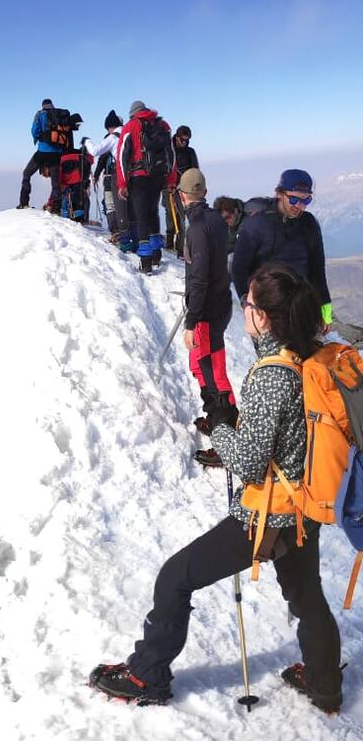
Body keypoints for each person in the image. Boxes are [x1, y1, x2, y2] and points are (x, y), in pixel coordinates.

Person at [90, 263, 343, 712]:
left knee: (175, 578)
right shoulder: (308, 356)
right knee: (307, 598)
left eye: (248, 303)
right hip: (305, 506)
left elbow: (249, 464)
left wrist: (222, 429)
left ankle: (147, 675)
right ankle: (325, 685)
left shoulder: (271, 374)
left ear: (262, 317)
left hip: (268, 516)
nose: (244, 309)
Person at [177, 169, 236, 452]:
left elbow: (199, 278)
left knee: (212, 372)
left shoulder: (197, 228)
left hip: (207, 313)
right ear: (205, 192)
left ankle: (227, 439)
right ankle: (216, 420)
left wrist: (191, 322)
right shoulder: (215, 219)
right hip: (220, 304)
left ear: (181, 195)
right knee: (200, 366)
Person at [231, 169, 332, 327]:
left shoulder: (309, 224)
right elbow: (239, 268)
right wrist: (247, 304)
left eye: (306, 200)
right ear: (279, 193)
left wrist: (325, 309)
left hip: (300, 307)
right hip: (266, 310)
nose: (299, 206)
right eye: (293, 199)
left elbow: (317, 268)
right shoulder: (256, 225)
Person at [117, 100, 175, 274]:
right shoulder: (163, 125)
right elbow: (171, 154)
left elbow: (122, 157)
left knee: (141, 216)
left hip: (138, 178)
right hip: (158, 176)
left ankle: (146, 261)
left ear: (132, 113)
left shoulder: (130, 126)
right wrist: (171, 180)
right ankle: (157, 253)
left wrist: (122, 183)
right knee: (153, 211)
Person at [164, 125, 200, 252]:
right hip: (167, 187)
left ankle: (180, 249)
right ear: (177, 137)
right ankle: (169, 244)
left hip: (183, 189)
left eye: (187, 140)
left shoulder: (190, 152)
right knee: (170, 214)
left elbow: (195, 171)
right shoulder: (167, 149)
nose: (185, 142)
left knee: (181, 217)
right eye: (182, 140)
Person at [92, 110, 125, 241]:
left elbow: (102, 159)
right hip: (125, 175)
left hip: (110, 175)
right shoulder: (126, 137)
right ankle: (126, 231)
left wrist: (96, 175)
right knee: (123, 203)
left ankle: (115, 231)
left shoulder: (110, 139)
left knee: (110, 204)